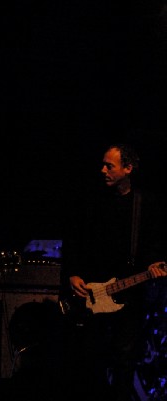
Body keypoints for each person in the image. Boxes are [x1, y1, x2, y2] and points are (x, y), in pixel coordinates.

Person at [60, 143, 167, 401]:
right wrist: (73, 274)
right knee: (90, 363)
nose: (103, 170)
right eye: (104, 164)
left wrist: (154, 263)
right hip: (91, 295)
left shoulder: (145, 204)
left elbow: (154, 245)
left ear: (128, 169)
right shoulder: (91, 202)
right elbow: (74, 241)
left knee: (124, 362)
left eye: (110, 166)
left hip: (129, 297)